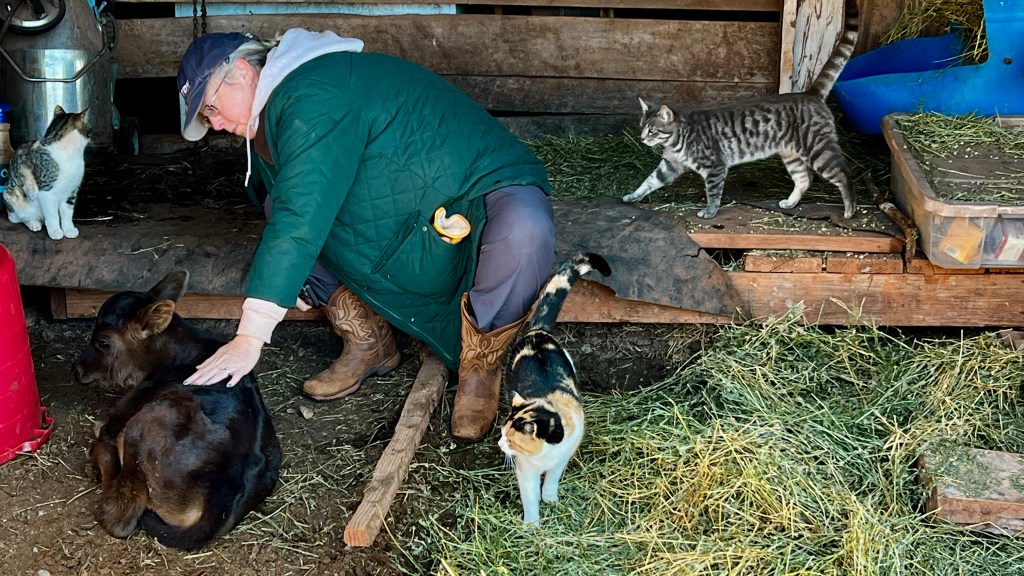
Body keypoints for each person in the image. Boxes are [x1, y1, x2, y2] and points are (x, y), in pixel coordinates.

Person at [178, 29, 555, 442]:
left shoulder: (312, 96)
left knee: (526, 230)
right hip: (409, 210)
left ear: (245, 72)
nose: (213, 124)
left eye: (211, 107)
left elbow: (300, 217)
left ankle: (481, 364)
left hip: (474, 191)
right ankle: (369, 341)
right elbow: (290, 204)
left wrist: (250, 336)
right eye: (205, 116)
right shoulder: (276, 111)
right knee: (277, 206)